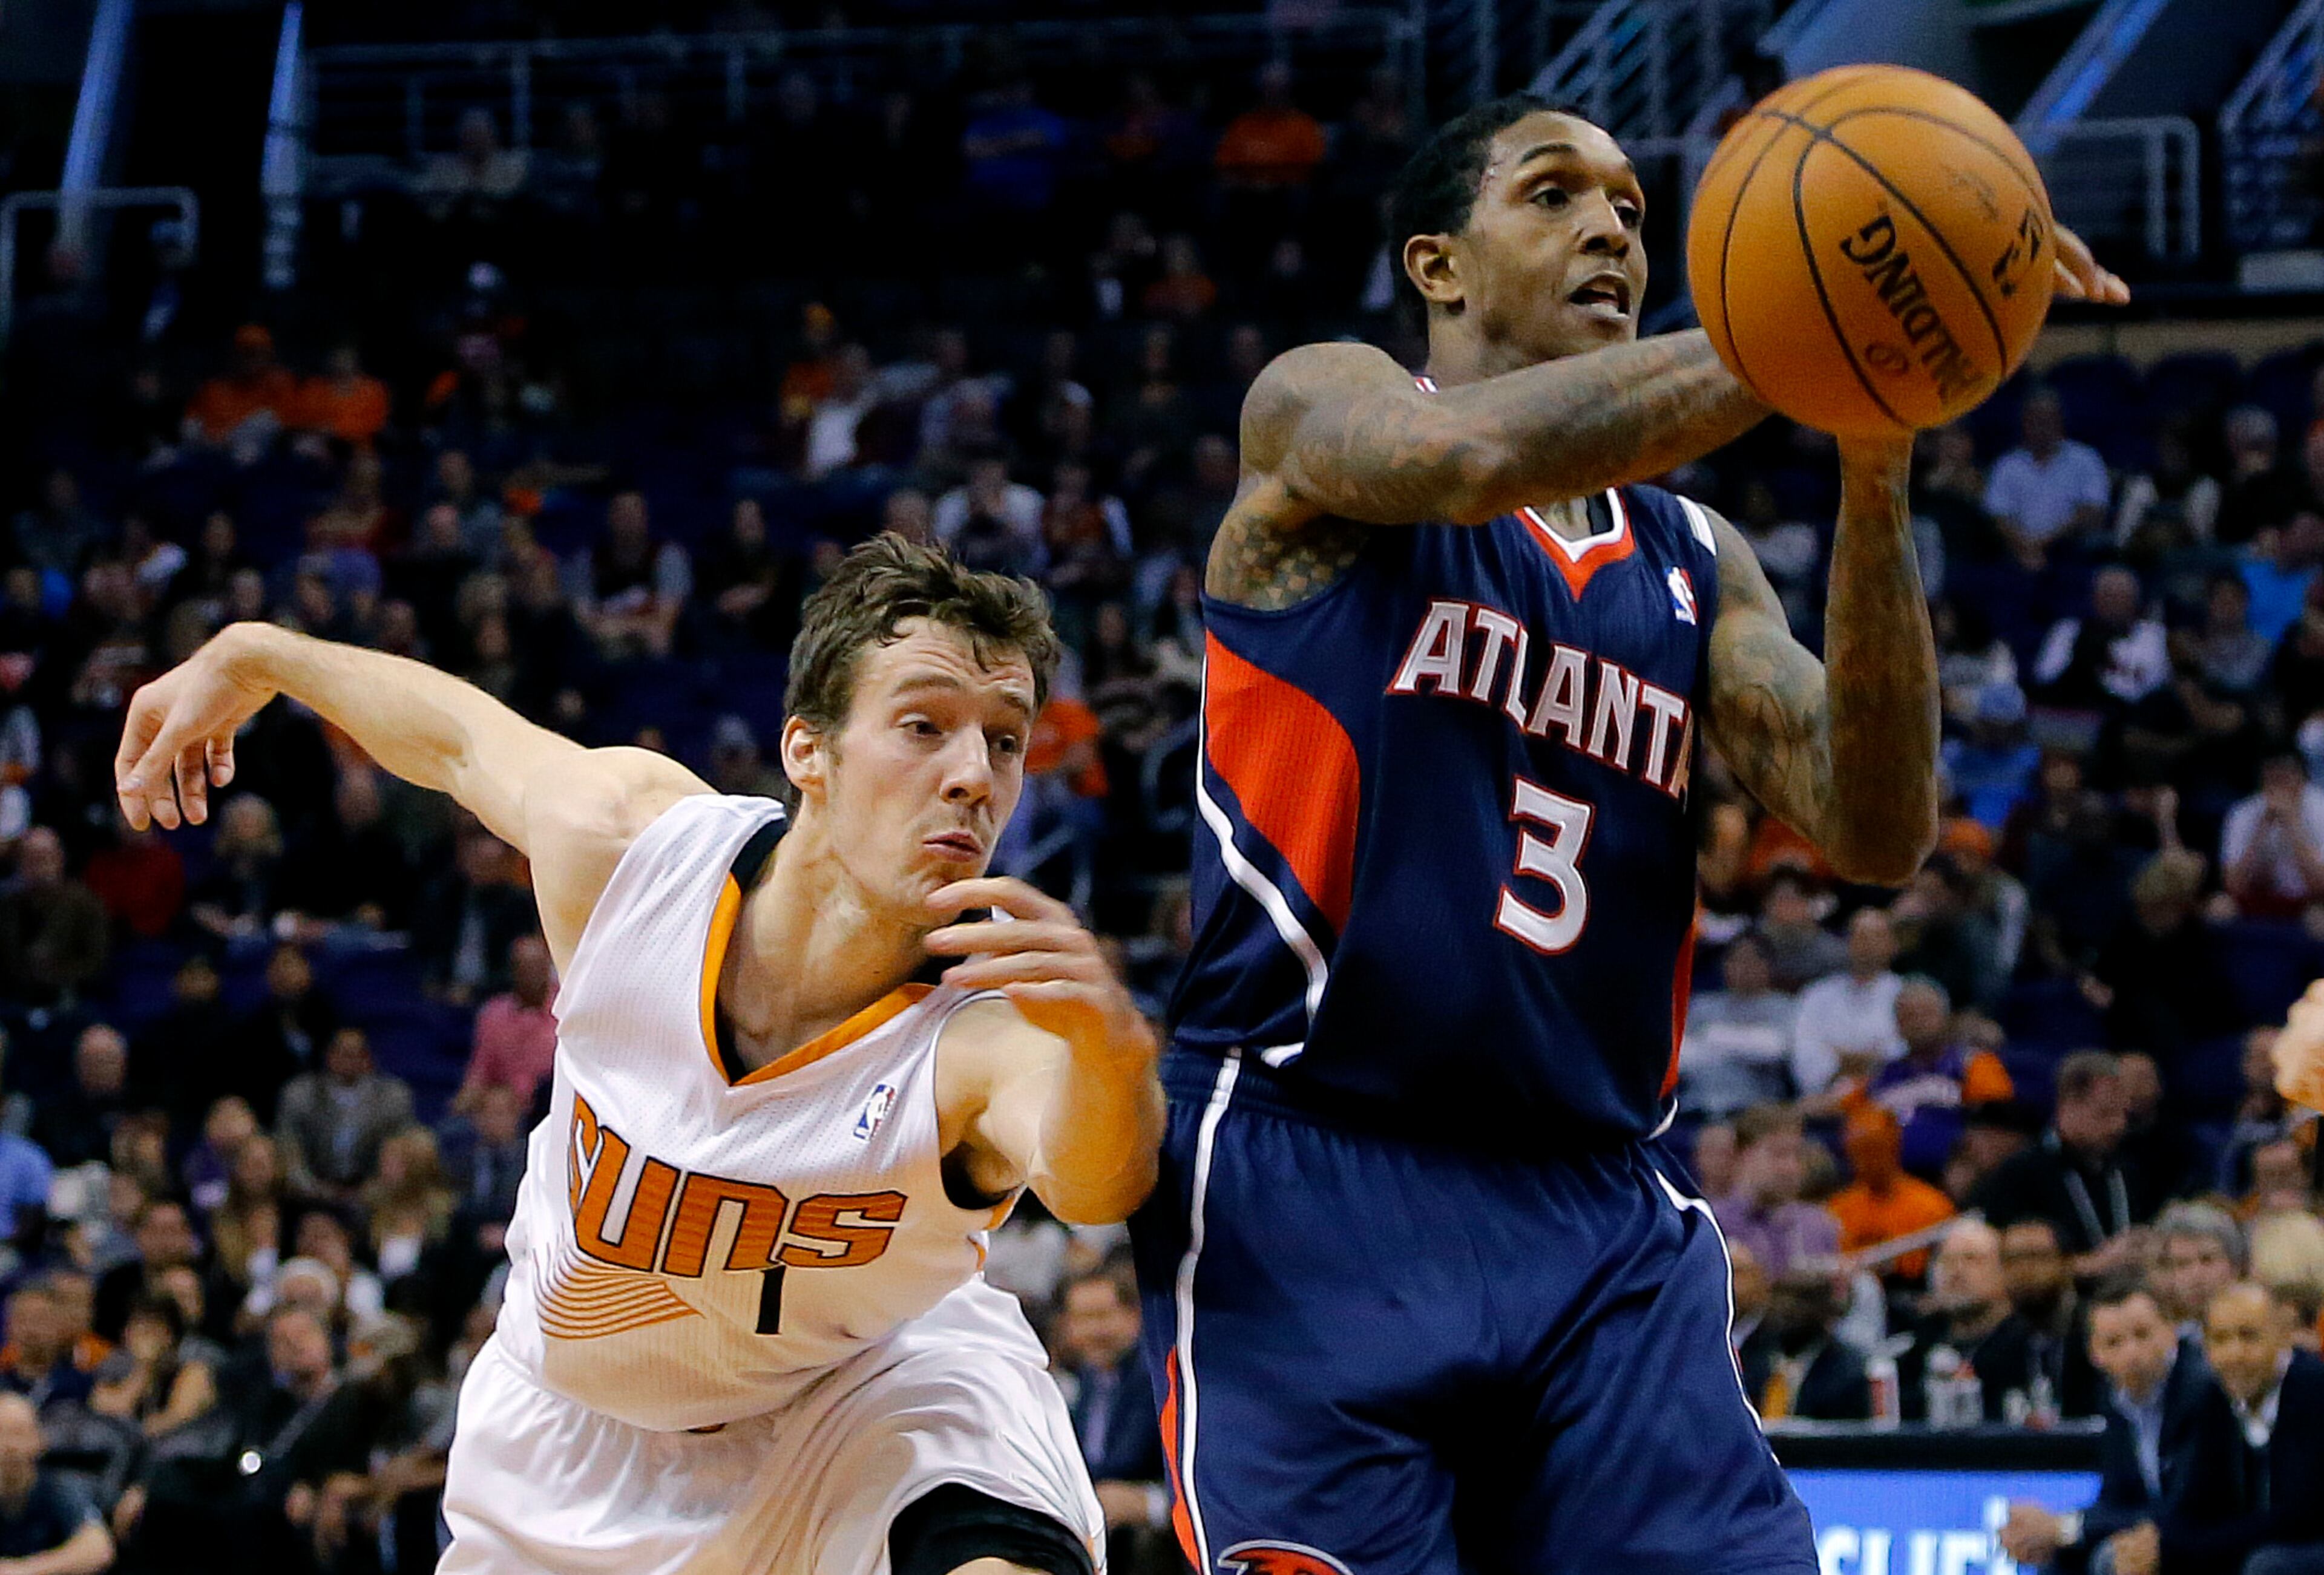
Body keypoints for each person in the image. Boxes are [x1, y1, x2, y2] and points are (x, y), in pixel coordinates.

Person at [1137, 88, 2118, 1575]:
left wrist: (1872, 443)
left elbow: (1872, 825)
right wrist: (1813, 306)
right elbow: (1463, 462)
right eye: (1551, 192)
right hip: (1312, 1159)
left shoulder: (1693, 561)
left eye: (1630, 210)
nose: (1608, 224)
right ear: (1437, 266)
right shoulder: (1316, 410)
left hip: (1594, 1202)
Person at [116, 534, 1161, 1574]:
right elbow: (456, 742)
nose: (974, 776)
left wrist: (1113, 1052)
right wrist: (258, 653)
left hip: (864, 1399)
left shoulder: (995, 1027)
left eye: (1007, 740)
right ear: (809, 750)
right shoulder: (638, 853)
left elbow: (1097, 1183)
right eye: (924, 726)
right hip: (571, 1442)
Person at [1998, 1279, 2227, 1575]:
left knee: (2112, 1558)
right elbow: (2115, 1500)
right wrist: (2054, 1531)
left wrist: (2065, 1527)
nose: (2132, 1353)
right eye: (2114, 1342)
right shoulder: (2114, 1399)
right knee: (2058, 1556)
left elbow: (2187, 1508)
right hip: (2157, 1529)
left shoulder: (2202, 1391)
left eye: (2143, 1335)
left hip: (2202, 1533)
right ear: (2095, 1353)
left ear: (2171, 1331)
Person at [2182, 1282, 2324, 1575]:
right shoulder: (2213, 1398)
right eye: (2220, 1340)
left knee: (2267, 1566)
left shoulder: (2314, 1389)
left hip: (2307, 1544)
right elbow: (2192, 1501)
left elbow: (2298, 1518)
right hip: (2253, 1543)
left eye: (2249, 1336)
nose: (2234, 1354)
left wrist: (2193, 1546)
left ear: (2283, 1337)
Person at [1972, 1050, 2145, 1274]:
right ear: (2068, 1106)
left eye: (2123, 1114)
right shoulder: (2021, 1175)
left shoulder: (2126, 1170)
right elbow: (2009, 1266)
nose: (2118, 1125)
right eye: (2105, 1114)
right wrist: (2091, 1265)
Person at [1054, 1267, 1167, 1570]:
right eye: (1082, 1319)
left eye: (1102, 1316)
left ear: (1134, 1316)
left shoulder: (1163, 1379)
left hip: (1156, 1540)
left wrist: (1148, 1503)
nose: (1093, 1331)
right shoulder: (1087, 1378)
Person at [1897, 1218, 2013, 1423]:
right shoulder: (1915, 1352)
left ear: (2005, 1271)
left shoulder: (2026, 1346)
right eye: (1947, 1261)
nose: (1957, 1271)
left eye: (1972, 1259)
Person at [0, 1395, 111, 1573]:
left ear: (39, 1441)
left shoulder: (60, 1488)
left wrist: (24, 1570)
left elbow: (98, 1548)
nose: (9, 1446)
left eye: (18, 1433)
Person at [2150, 1203, 2248, 1341]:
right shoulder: (2169, 1344)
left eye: (2207, 1260)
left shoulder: (2264, 1329)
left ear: (2235, 1266)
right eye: (2182, 1264)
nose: (2196, 1275)